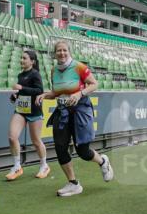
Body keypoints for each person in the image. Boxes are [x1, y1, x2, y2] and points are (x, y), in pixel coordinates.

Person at [38, 40, 112, 196]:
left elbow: (94, 84)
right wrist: (45, 95)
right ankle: (73, 183)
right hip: (62, 111)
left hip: (80, 110)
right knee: (60, 147)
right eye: (59, 50)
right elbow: (57, 92)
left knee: (83, 151)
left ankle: (103, 162)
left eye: (65, 50)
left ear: (69, 52)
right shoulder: (53, 70)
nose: (62, 53)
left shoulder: (79, 67)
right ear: (55, 53)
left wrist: (79, 93)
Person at [5, 49, 49, 181]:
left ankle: (44, 165)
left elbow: (39, 90)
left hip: (34, 112)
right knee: (12, 137)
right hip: (21, 110)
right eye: (21, 58)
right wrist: (15, 96)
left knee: (36, 141)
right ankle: (17, 166)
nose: (22, 60)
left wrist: (21, 89)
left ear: (32, 61)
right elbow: (20, 92)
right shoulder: (20, 75)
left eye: (25, 58)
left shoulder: (35, 74)